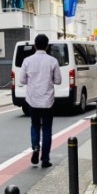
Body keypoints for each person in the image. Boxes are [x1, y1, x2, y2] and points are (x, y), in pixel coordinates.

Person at [19, 33, 61, 168]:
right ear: (47, 46)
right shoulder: (52, 61)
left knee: (35, 125)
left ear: (35, 45)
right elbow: (58, 80)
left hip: (32, 99)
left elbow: (21, 80)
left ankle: (36, 147)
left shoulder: (27, 61)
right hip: (48, 100)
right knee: (47, 129)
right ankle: (45, 159)